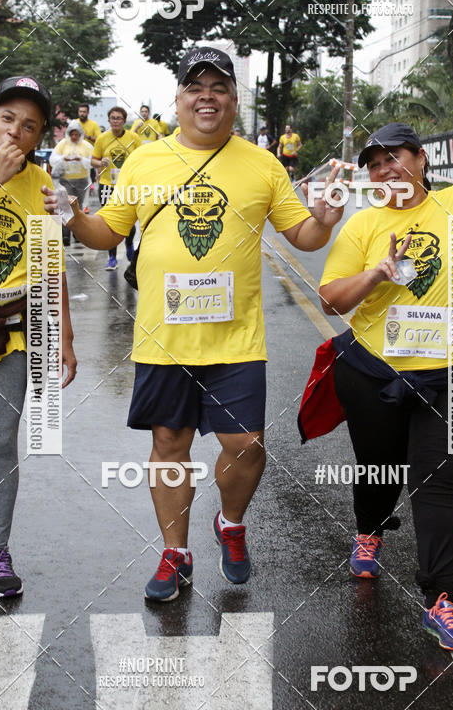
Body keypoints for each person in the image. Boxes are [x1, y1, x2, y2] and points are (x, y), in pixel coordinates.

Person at [43, 45, 342, 602]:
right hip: (163, 337)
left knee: (247, 445)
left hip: (236, 339)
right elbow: (108, 233)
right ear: (179, 101)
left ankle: (230, 523)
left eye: (219, 87)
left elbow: (302, 236)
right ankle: (174, 554)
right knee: (169, 444)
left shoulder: (262, 164)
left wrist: (323, 222)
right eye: (196, 87)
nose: (208, 96)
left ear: (233, 101)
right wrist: (71, 214)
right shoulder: (146, 161)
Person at [307, 97, 453, 651]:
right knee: (379, 469)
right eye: (375, 162)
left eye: (396, 156)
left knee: (441, 486)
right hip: (373, 373)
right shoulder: (364, 224)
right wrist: (376, 274)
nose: (386, 168)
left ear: (420, 160)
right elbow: (329, 301)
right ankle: (369, 531)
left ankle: (441, 598)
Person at [0, 75, 76, 598]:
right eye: (8, 119)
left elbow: (51, 264)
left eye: (29, 126)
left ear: (39, 134)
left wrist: (65, 336)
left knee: (1, 443)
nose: (16, 132)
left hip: (12, 334)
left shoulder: (41, 185)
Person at [91, 107, 142, 270]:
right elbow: (93, 160)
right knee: (108, 221)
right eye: (112, 118)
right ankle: (111, 257)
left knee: (130, 219)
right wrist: (100, 163)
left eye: (119, 118)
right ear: (109, 121)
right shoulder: (102, 138)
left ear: (124, 121)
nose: (115, 121)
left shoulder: (133, 138)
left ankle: (128, 245)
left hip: (127, 186)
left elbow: (142, 158)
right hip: (107, 184)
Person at [49, 121, 93, 244]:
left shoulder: (86, 146)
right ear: (69, 134)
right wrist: (64, 158)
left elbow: (92, 162)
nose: (74, 137)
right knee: (65, 205)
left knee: (77, 207)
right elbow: (53, 159)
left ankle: (77, 234)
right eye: (72, 134)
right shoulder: (62, 144)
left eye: (77, 134)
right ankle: (65, 234)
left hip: (81, 181)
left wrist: (81, 159)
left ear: (80, 134)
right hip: (65, 180)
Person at [76, 103, 101, 195]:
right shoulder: (74, 123)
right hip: (76, 152)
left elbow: (99, 139)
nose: (82, 113)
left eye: (84, 112)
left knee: (89, 170)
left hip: (90, 153)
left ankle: (90, 185)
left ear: (88, 112)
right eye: (80, 111)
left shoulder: (93, 124)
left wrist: (88, 136)